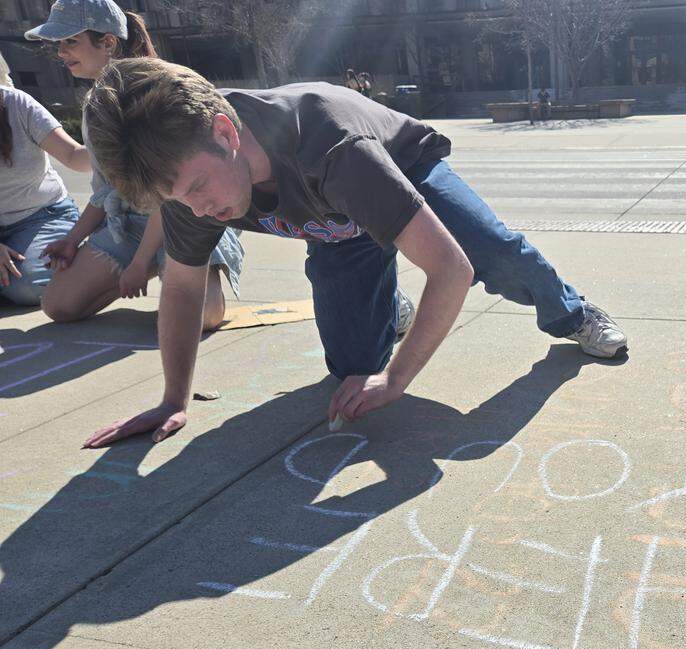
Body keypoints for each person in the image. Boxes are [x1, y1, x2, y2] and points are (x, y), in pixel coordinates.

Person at [78, 58, 629, 448]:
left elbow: (450, 268)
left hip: (400, 171)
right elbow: (181, 287)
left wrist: (397, 380)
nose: (198, 211)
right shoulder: (186, 182)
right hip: (334, 225)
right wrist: (175, 398)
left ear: (226, 133)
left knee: (492, 252)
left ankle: (573, 313)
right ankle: (390, 311)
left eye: (198, 190)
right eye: (179, 200)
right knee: (349, 370)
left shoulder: (329, 146)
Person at [25, 0, 243, 329]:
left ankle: (176, 269)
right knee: (58, 305)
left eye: (71, 41)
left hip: (180, 217)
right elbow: (105, 192)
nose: (60, 52)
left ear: (108, 42)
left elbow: (170, 195)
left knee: (202, 318)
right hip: (128, 222)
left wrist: (139, 263)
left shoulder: (156, 94)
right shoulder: (96, 104)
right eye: (58, 43)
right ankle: (165, 272)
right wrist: (72, 240)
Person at [1, 86, 88, 306]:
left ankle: (93, 257)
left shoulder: (17, 103)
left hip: (41, 216)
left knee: (28, 286)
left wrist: (119, 147)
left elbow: (72, 155)